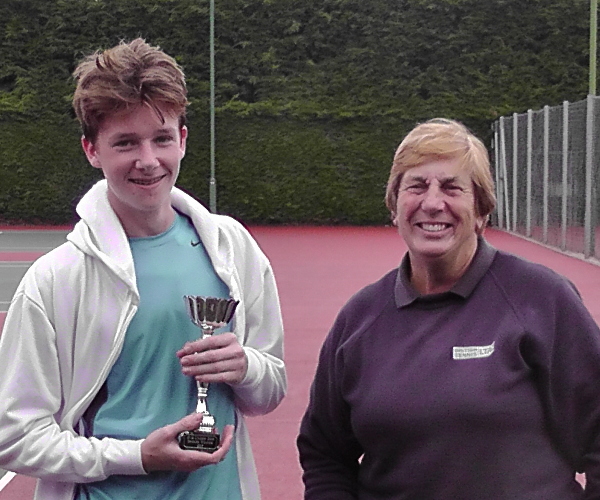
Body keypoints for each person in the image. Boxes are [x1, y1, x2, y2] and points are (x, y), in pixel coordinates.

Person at [0, 38, 286, 500]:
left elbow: (269, 390)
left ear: (183, 140)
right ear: (92, 150)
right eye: (126, 143)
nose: (148, 161)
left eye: (162, 139)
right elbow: (13, 437)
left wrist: (246, 366)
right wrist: (135, 456)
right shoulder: (54, 280)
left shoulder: (234, 249)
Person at [296, 118, 600, 499]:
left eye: (452, 188)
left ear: (481, 211)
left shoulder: (541, 299)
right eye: (417, 186)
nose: (433, 203)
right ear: (395, 206)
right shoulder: (359, 318)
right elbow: (324, 453)